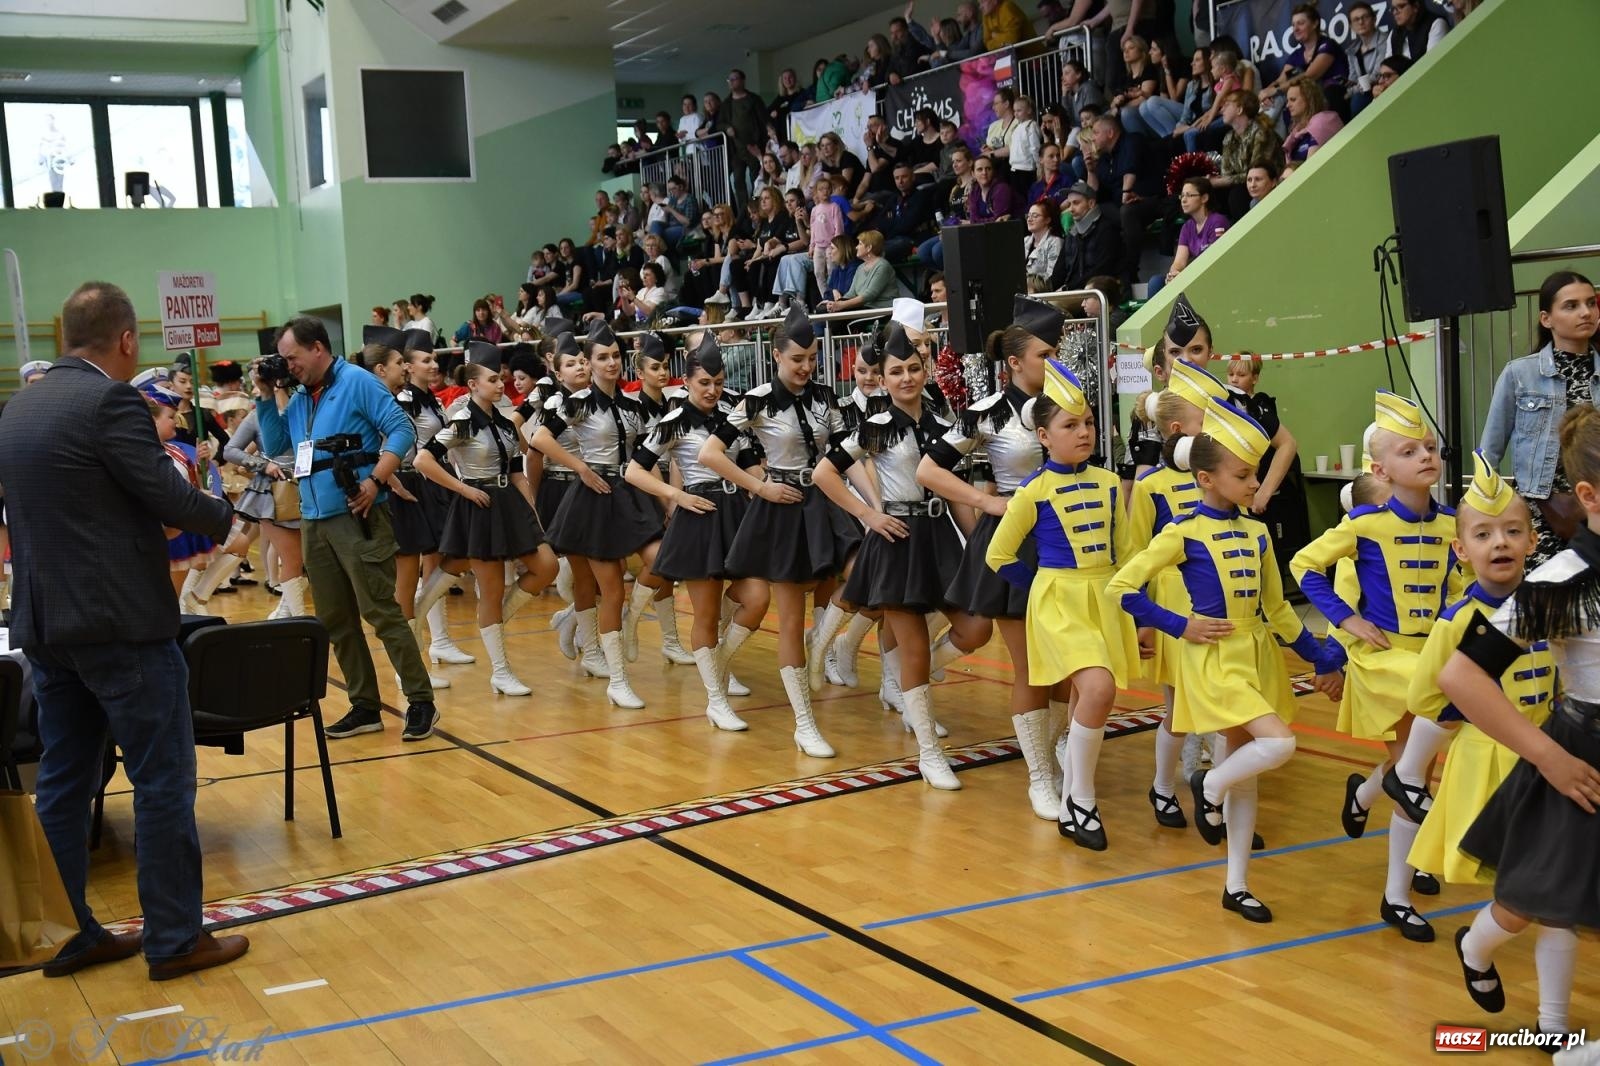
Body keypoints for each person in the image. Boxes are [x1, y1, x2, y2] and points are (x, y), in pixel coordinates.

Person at [0, 281, 247, 981]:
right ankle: (175, 939)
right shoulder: (110, 400)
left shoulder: (19, 409)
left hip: (47, 625)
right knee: (162, 779)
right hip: (120, 628)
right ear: (127, 341)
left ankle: (65, 930)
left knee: (65, 781)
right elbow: (163, 493)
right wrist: (227, 519)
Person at [1114, 398, 1339, 923]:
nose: (1254, 482)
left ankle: (1236, 884)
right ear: (1206, 479)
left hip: (1257, 654)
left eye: (1255, 473)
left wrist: (1325, 657)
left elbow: (1280, 612)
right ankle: (1206, 784)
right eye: (1242, 475)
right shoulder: (1182, 532)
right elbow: (1124, 587)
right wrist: (1179, 625)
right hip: (1212, 658)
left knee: (1248, 776)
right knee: (1278, 742)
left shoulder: (1259, 533)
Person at [1441, 410, 1600, 1054]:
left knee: (1572, 894)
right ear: (1588, 496)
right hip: (1580, 752)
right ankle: (1482, 950)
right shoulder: (1559, 583)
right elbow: (1461, 677)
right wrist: (1549, 757)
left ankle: (1558, 1034)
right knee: (1549, 895)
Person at [1291, 390, 1465, 944]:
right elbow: (1304, 566)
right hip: (1385, 663)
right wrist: (1346, 620)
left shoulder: (1450, 525)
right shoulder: (1365, 524)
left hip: (1430, 656)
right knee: (1414, 776)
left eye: (1431, 447)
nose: (1426, 457)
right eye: (1410, 450)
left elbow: (1458, 590)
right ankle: (1396, 896)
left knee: (1416, 771)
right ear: (1380, 469)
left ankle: (1364, 796)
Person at [255, 316, 439, 741]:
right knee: (336, 619)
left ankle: (421, 701)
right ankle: (365, 706)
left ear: (317, 348)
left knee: (380, 611)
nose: (288, 365)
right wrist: (267, 396)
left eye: (292, 357)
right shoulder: (301, 393)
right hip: (315, 519)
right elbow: (279, 446)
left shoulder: (357, 381)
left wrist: (375, 480)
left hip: (357, 514)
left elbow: (401, 430)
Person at [986, 358, 1140, 850]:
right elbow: (998, 554)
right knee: (1098, 689)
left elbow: (1128, 554)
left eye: (1089, 422)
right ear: (1044, 436)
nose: (1084, 432)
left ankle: (1074, 796)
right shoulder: (1034, 491)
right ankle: (1083, 799)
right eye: (1070, 425)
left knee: (1084, 698)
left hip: (1106, 597)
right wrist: (1039, 589)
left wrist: (1142, 616)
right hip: (1058, 601)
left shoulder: (1110, 484)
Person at [814, 315, 972, 790]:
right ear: (881, 379)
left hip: (940, 535)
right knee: (915, 647)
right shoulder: (876, 427)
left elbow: (957, 489)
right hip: (897, 540)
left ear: (924, 371)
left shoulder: (945, 422)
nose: (906, 378)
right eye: (896, 371)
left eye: (913, 369)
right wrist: (869, 515)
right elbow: (825, 473)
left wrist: (978, 541)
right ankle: (928, 750)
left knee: (974, 626)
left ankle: (903, 685)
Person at [916, 296, 1059, 818]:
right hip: (1014, 541)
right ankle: (1040, 776)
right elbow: (929, 472)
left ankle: (1057, 750)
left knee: (1067, 662)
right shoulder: (988, 412)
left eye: (1058, 352)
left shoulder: (1070, 407)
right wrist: (988, 502)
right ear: (1015, 362)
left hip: (1068, 541)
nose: (1056, 362)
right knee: (1031, 666)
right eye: (1046, 354)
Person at [699, 304, 861, 758]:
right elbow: (710, 455)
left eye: (812, 358)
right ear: (776, 356)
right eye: (797, 359)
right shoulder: (755, 401)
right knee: (788, 617)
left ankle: (823, 645)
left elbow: (851, 452)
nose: (806, 366)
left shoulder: (827, 397)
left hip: (827, 506)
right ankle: (803, 723)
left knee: (864, 575)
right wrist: (760, 487)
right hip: (784, 510)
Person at [625, 334, 768, 731]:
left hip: (738, 513)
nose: (712, 390)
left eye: (719, 382)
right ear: (686, 381)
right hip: (700, 516)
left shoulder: (734, 415)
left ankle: (718, 667)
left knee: (756, 597)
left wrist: (765, 484)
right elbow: (633, 470)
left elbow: (752, 462)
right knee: (705, 611)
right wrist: (675, 496)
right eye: (704, 382)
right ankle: (715, 698)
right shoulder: (672, 421)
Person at [528, 323, 667, 709]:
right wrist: (582, 468)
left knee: (661, 561)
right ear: (588, 363)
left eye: (616, 356)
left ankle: (612, 623)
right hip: (592, 499)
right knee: (606, 588)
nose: (610, 363)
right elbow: (539, 439)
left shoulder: (633, 406)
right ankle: (616, 677)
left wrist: (669, 499)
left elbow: (645, 458)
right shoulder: (578, 402)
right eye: (602, 357)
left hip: (630, 496)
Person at [425, 353, 559, 696]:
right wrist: (463, 487)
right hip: (478, 505)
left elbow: (517, 471)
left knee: (547, 566)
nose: (501, 385)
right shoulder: (462, 422)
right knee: (490, 585)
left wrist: (533, 511)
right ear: (472, 385)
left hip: (510, 504)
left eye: (502, 379)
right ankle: (500, 671)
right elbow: (423, 459)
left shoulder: (503, 421)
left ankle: (495, 617)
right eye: (493, 380)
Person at [1480, 270, 1598, 564]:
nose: (1586, 312)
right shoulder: (1520, 374)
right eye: (1571, 306)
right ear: (1547, 319)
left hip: (1594, 507)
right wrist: (1484, 508)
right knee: (1543, 597)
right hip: (1537, 508)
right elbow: (1489, 451)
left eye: (1591, 303)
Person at [1148, 177, 1228, 299]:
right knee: (1156, 282)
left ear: (1204, 198)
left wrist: (1184, 275)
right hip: (1192, 277)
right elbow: (1179, 262)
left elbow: (1213, 262)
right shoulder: (1187, 226)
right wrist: (1173, 274)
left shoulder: (1217, 221)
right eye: (1182, 196)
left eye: (1189, 195)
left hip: (1210, 278)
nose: (1183, 200)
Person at [1055, 180, 1121, 291]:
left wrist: (1068, 288)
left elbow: (1102, 270)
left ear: (1091, 204)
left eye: (1076, 203)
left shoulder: (1107, 230)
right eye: (1069, 204)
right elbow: (1059, 271)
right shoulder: (1071, 234)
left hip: (1097, 292)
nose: (1070, 209)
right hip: (1072, 292)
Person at [819, 230, 896, 313]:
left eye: (860, 244)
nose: (856, 247)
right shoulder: (860, 267)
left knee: (836, 317)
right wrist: (835, 303)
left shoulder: (882, 266)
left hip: (879, 309)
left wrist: (842, 305)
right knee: (823, 309)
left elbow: (870, 295)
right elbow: (851, 293)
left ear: (869, 248)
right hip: (864, 308)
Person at [1282, 76, 1343, 163]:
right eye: (1287, 101)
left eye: (1293, 100)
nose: (1288, 105)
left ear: (1308, 99)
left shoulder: (1322, 122)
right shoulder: (1295, 132)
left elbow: (1311, 165)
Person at [1344, 2, 1391, 115]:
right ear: (1351, 26)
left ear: (1374, 19)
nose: (1361, 22)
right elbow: (1353, 79)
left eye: (1365, 17)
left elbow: (1377, 74)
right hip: (1362, 91)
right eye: (1356, 19)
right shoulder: (1352, 50)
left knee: (1357, 101)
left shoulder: (1385, 40)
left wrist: (1350, 92)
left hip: (1382, 87)